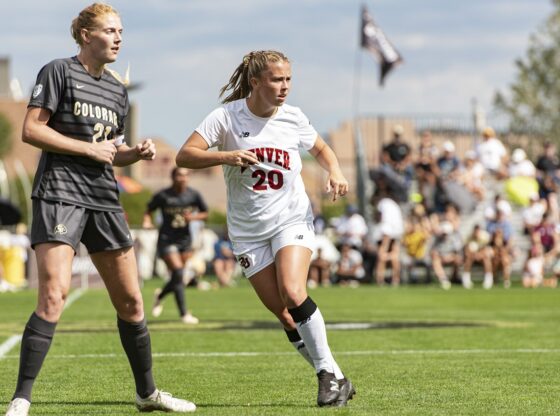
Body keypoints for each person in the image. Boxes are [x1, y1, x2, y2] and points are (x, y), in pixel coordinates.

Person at [4, 4, 195, 415]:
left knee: (132, 304)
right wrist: (90, 149)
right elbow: (32, 129)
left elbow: (113, 153)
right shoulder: (57, 71)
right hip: (60, 193)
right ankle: (21, 399)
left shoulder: (116, 90)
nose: (119, 38)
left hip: (104, 199)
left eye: (121, 31)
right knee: (53, 296)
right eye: (110, 30)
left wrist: (135, 153)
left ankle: (147, 395)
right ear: (86, 35)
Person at [175, 50, 355, 407]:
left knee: (292, 290)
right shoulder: (225, 117)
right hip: (247, 231)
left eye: (288, 79)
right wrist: (226, 156)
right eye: (276, 79)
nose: (284, 86)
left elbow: (321, 150)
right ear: (255, 82)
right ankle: (335, 375)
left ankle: (325, 377)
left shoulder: (293, 117)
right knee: (285, 314)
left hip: (291, 219)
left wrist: (335, 170)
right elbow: (185, 155)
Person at [142, 167, 208, 324]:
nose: (182, 178)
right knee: (178, 272)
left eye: (185, 175)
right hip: (167, 239)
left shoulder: (193, 195)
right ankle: (184, 314)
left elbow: (205, 212)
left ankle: (160, 295)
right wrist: (147, 220)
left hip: (185, 240)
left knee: (178, 278)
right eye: (179, 175)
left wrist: (193, 217)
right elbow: (148, 209)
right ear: (173, 177)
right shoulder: (163, 195)